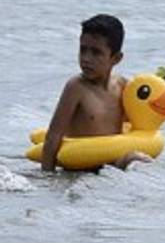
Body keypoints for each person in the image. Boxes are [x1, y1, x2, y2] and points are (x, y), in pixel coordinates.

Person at [40, 14, 148, 171]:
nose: (86, 59)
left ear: (116, 58)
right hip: (80, 170)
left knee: (142, 160)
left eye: (96, 52)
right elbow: (53, 137)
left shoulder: (122, 86)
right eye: (82, 50)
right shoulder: (76, 88)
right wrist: (47, 177)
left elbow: (133, 126)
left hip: (111, 169)